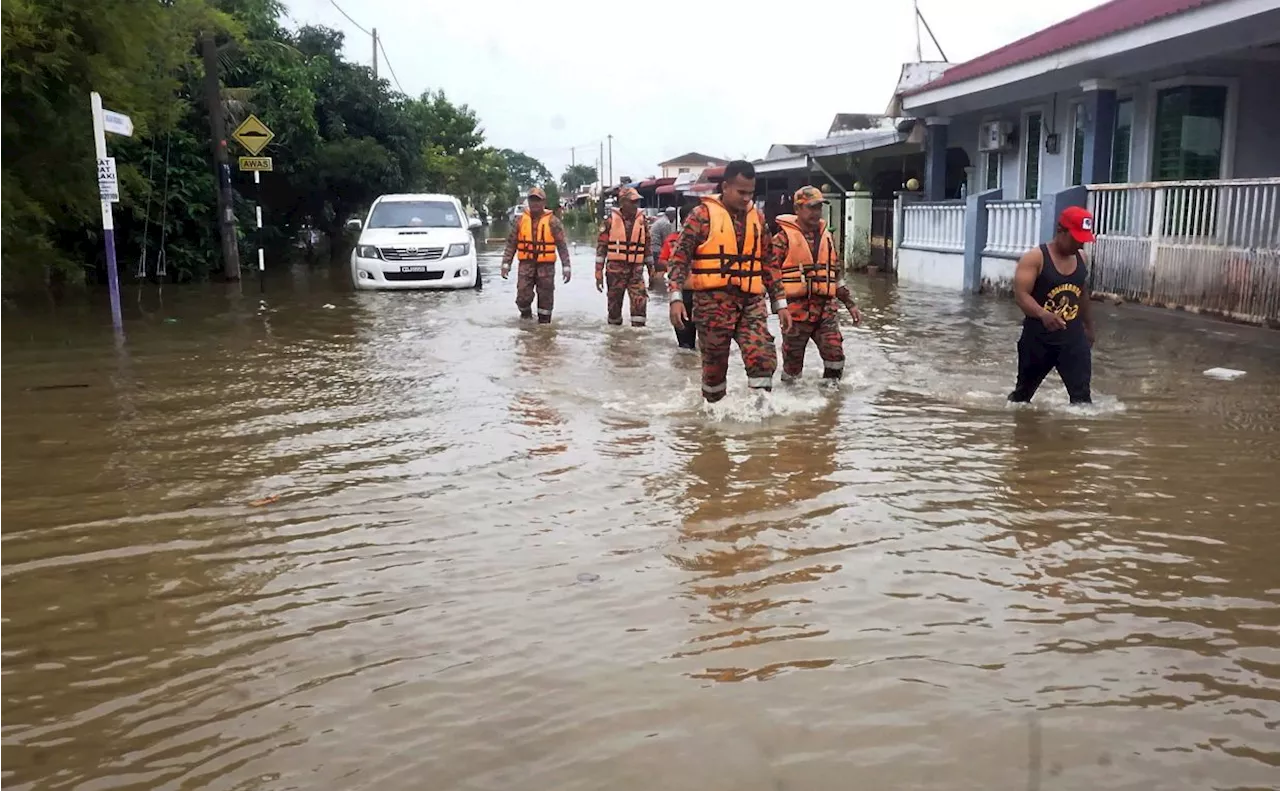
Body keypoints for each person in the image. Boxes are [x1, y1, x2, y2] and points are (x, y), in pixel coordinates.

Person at [667, 160, 793, 402]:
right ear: (725, 187)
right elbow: (678, 260)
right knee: (714, 373)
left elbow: (769, 263)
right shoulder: (701, 216)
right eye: (741, 192)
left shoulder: (757, 218)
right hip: (713, 304)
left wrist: (781, 303)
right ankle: (712, 423)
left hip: (751, 302)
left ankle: (760, 417)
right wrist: (675, 298)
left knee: (763, 357)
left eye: (751, 193)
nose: (747, 198)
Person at [772, 186, 863, 382]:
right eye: (811, 207)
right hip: (796, 312)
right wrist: (778, 307)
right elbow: (770, 277)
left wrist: (850, 304)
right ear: (797, 209)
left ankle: (831, 403)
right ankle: (793, 403)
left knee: (835, 355)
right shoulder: (782, 240)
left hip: (825, 310)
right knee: (792, 368)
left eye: (818, 208)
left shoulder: (827, 238)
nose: (816, 213)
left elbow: (836, 275)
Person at [1008, 206, 1097, 404]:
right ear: (1060, 230)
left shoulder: (1081, 257)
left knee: (1082, 400)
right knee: (1022, 399)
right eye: (1076, 238)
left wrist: (1089, 327)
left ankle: (1078, 435)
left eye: (1083, 238)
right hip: (1038, 340)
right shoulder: (1035, 258)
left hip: (1073, 339)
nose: (1080, 243)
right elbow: (1021, 295)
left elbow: (1081, 293)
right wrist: (1043, 314)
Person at [501, 187, 572, 324]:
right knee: (522, 296)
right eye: (532, 200)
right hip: (526, 265)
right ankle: (526, 319)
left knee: (545, 302)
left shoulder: (553, 222)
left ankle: (544, 332)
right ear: (528, 202)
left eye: (538, 201)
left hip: (546, 267)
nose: (535, 204)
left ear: (544, 202)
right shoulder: (520, 221)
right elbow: (511, 244)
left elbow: (562, 246)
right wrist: (506, 264)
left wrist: (566, 267)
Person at [595, 187, 652, 327]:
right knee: (614, 308)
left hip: (636, 271)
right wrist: (598, 272)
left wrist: (652, 270)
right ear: (622, 202)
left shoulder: (642, 221)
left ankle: (638, 339)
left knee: (640, 303)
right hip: (615, 271)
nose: (635, 205)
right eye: (632, 202)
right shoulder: (610, 222)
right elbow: (601, 249)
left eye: (637, 202)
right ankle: (615, 339)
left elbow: (647, 248)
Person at [658, 229, 694, 350]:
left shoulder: (673, 240)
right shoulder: (673, 240)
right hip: (687, 291)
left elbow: (662, 259)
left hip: (682, 291)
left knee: (686, 345)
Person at [649, 207, 677, 290]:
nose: (674, 218)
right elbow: (667, 241)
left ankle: (653, 286)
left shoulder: (660, 221)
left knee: (656, 269)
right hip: (657, 249)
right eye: (674, 216)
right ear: (671, 215)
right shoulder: (666, 224)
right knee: (661, 270)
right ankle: (659, 288)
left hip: (653, 248)